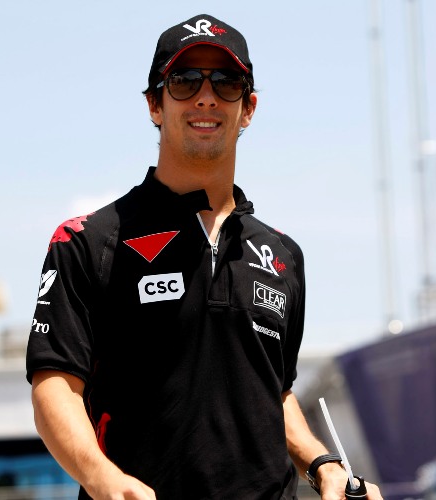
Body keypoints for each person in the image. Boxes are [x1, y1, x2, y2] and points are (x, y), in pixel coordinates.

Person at [26, 14, 383, 500]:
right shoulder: (87, 241)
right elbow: (55, 388)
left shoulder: (283, 256)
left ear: (248, 108)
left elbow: (272, 393)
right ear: (155, 104)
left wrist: (323, 465)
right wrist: (105, 480)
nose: (206, 97)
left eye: (227, 82)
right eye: (185, 80)